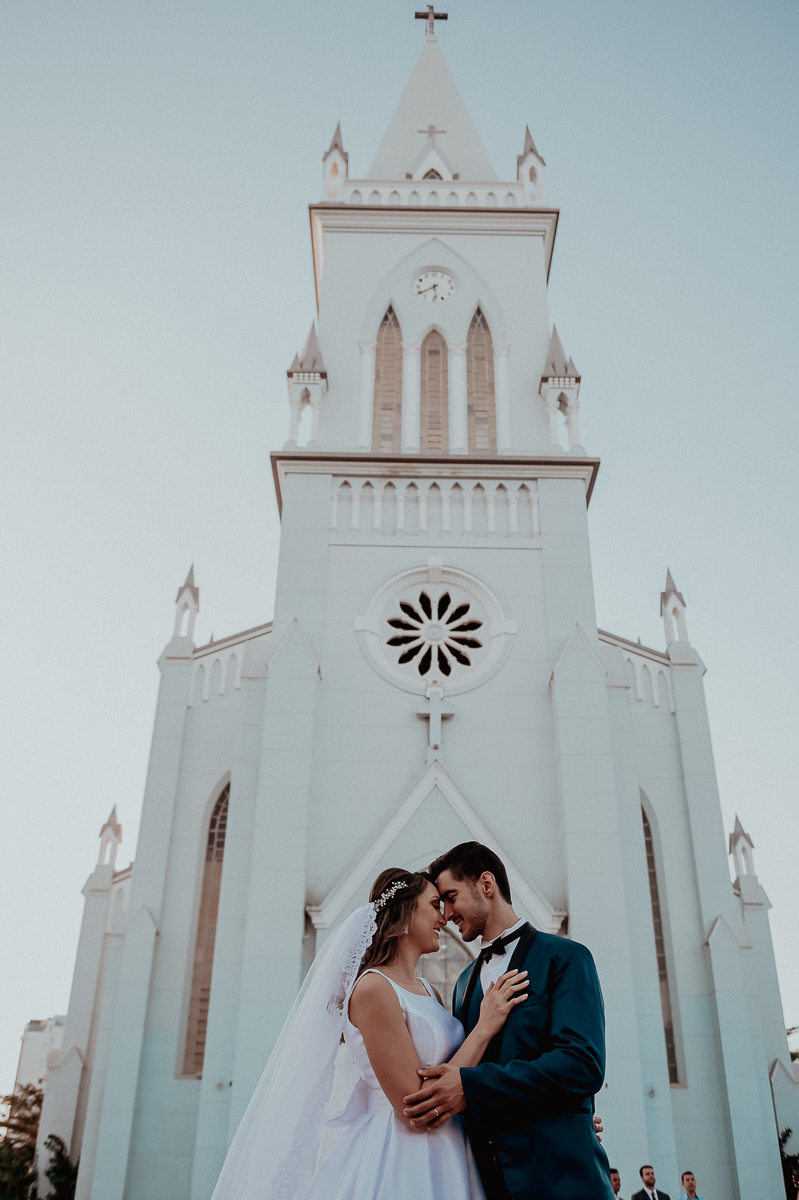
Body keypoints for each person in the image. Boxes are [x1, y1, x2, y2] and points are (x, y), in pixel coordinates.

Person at [210, 867, 528, 1200]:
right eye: (435, 905)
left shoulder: (429, 991)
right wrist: (485, 1027)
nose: (444, 917)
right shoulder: (373, 988)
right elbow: (413, 1111)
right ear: (405, 914)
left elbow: (461, 1073)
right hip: (402, 1155)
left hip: (454, 1148)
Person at [402, 841, 615, 1200]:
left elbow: (583, 1064)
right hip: (487, 1182)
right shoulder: (463, 983)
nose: (447, 913)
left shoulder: (565, 958)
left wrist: (473, 1085)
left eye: (451, 897)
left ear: (486, 885)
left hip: (563, 1178)